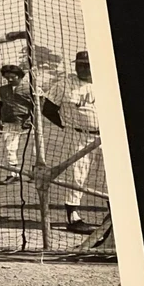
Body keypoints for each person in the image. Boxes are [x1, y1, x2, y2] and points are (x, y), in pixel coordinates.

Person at [41, 50, 101, 235]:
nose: (82, 67)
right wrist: (66, 124)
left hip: (108, 135)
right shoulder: (65, 84)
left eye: (87, 64)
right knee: (77, 174)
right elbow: (47, 109)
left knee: (110, 176)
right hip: (79, 135)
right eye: (79, 64)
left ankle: (112, 215)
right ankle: (73, 217)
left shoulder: (107, 82)